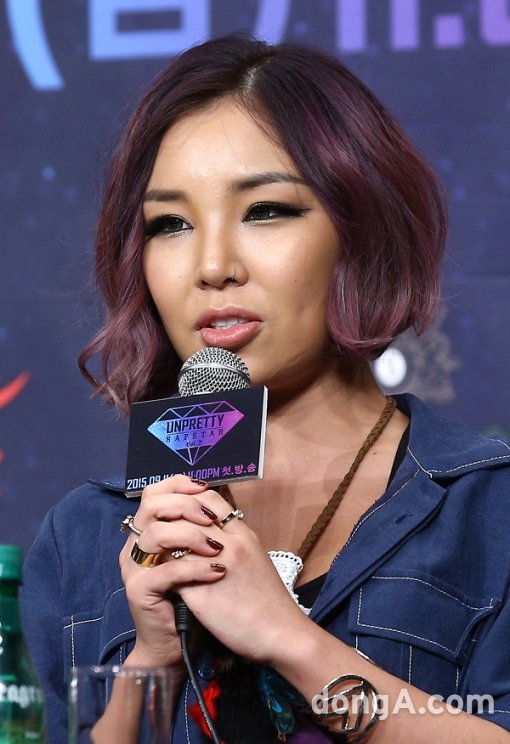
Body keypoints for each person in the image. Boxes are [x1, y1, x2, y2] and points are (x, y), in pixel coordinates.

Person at [20, 35, 510, 744]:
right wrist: (153, 663)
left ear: (361, 230)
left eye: (266, 210)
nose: (212, 265)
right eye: (171, 224)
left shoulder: (488, 511)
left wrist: (291, 641)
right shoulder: (86, 536)